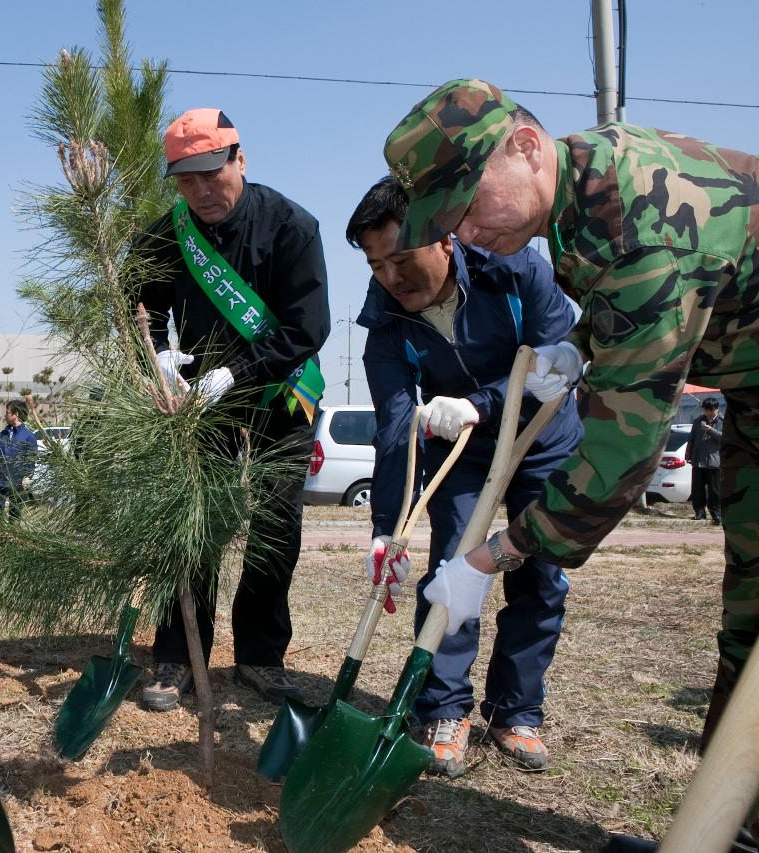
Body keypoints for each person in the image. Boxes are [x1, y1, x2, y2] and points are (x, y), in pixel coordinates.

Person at [384, 78, 759, 847]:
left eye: (466, 202)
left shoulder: (640, 224)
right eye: (447, 216)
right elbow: (627, 311)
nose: (464, 230)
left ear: (523, 145)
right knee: (748, 622)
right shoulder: (581, 191)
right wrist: (578, 346)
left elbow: (621, 457)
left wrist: (492, 556)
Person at [348, 176, 582, 776]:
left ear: (445, 241)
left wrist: (482, 401)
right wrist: (385, 529)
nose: (390, 279)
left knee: (540, 577)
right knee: (453, 573)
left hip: (543, 436)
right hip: (464, 452)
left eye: (400, 259)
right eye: (376, 266)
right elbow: (396, 427)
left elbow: (557, 355)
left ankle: (515, 711)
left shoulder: (518, 271)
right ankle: (444, 708)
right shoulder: (386, 324)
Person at [135, 108, 330, 709]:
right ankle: (176, 656)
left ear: (239, 160)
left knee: (276, 526)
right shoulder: (166, 235)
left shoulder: (292, 227)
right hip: (201, 405)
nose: (199, 191)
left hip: (280, 393)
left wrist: (237, 373)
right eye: (185, 180)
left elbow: (308, 327)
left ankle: (261, 658)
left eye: (210, 175)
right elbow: (138, 305)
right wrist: (157, 360)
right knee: (192, 524)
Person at [0, 400, 37, 517]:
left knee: (15, 516)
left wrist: (27, 476)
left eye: (7, 412)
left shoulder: (28, 436)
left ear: (16, 414)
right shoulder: (2, 434)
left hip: (17, 483)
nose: (5, 415)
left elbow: (31, 459)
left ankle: (12, 535)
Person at [687, 397, 724, 524]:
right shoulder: (698, 421)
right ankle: (699, 513)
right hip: (698, 460)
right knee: (697, 489)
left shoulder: (723, 421)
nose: (708, 413)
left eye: (710, 410)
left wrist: (710, 430)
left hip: (714, 461)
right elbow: (691, 438)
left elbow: (724, 438)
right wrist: (688, 455)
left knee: (715, 490)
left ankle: (716, 515)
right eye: (706, 410)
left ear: (716, 409)